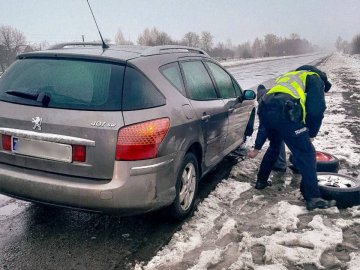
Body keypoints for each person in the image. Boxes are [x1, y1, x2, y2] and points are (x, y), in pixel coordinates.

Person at [247, 65, 336, 211]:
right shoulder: (315, 78)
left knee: (275, 146)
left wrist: (257, 147)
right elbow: (316, 110)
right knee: (306, 153)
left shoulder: (290, 76)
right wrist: (311, 133)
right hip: (285, 109)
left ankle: (261, 182)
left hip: (265, 105)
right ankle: (313, 198)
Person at [251, 84, 287, 173]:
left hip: (286, 119)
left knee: (277, 138)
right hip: (295, 115)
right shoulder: (275, 94)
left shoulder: (265, 102)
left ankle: (280, 164)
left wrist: (256, 149)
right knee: (296, 140)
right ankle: (298, 166)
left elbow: (263, 129)